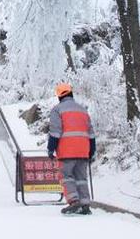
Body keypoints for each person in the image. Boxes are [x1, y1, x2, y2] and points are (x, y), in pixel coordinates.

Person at [47, 83, 95, 216]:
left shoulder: (57, 110)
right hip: (83, 151)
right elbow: (91, 133)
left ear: (59, 96)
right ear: (71, 93)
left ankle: (74, 202)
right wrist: (91, 151)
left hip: (66, 151)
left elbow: (55, 133)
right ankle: (85, 204)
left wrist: (51, 149)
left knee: (66, 177)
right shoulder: (82, 110)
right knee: (81, 178)